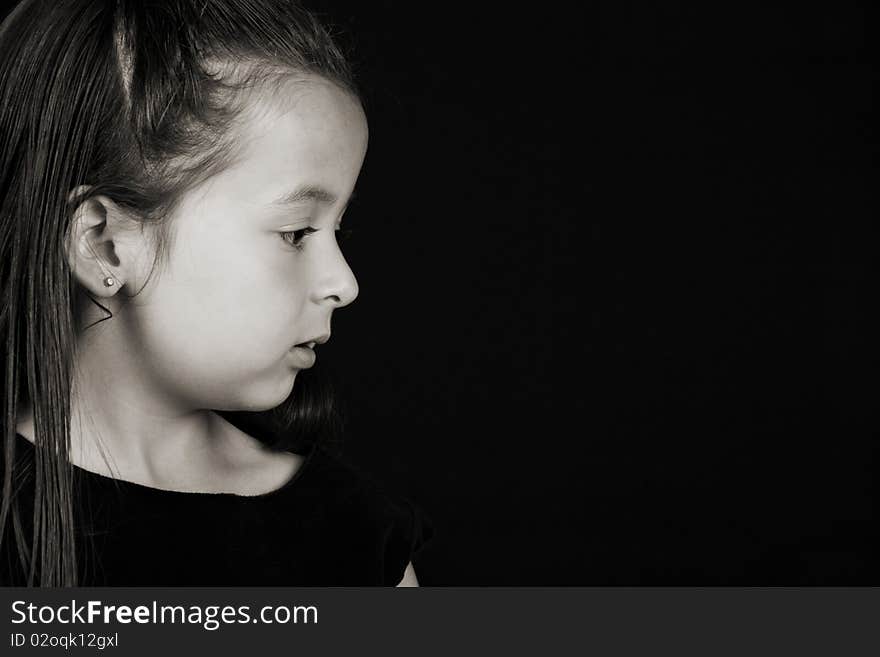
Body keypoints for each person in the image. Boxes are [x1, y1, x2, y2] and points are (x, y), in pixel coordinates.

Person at [0, 0, 433, 586]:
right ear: (104, 244)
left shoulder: (354, 538)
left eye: (338, 229)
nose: (344, 284)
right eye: (296, 231)